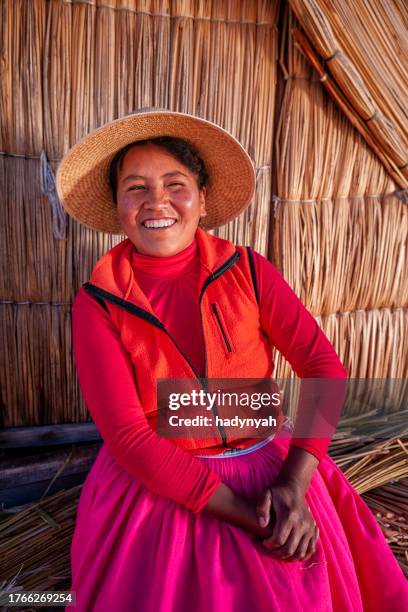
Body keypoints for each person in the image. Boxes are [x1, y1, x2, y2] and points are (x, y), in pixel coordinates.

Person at [56, 109, 408, 611]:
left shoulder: (248, 271)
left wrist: (294, 485)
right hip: (162, 488)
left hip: (273, 471)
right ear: (118, 207)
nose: (156, 201)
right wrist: (253, 517)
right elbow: (130, 438)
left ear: (201, 198)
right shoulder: (100, 301)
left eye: (175, 183)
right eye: (135, 187)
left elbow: (323, 367)